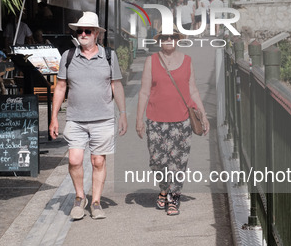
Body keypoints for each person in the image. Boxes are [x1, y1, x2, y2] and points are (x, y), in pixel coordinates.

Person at [49, 11, 128, 220]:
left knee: (98, 161)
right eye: (80, 31)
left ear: (96, 34)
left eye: (87, 31)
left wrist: (123, 113)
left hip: (103, 118)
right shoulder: (68, 56)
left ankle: (95, 202)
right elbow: (60, 88)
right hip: (76, 118)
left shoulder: (109, 56)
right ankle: (79, 197)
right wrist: (54, 117)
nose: (82, 34)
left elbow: (116, 85)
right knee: (75, 160)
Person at [135, 30, 210, 216]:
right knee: (157, 161)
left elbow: (193, 91)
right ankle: (163, 188)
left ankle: (173, 197)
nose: (168, 40)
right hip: (155, 120)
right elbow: (144, 92)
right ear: (159, 41)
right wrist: (139, 119)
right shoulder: (151, 61)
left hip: (181, 121)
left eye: (172, 37)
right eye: (164, 37)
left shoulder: (187, 61)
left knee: (178, 162)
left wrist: (204, 115)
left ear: (177, 40)